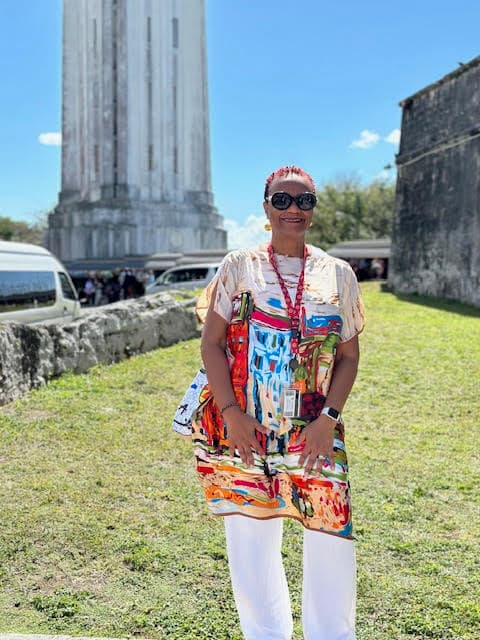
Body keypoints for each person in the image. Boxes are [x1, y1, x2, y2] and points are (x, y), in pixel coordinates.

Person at [192, 166, 365, 640]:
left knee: (330, 535)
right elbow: (211, 345)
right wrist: (231, 415)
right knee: (250, 541)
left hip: (316, 432)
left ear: (313, 209)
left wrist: (329, 419)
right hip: (245, 428)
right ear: (265, 208)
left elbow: (349, 355)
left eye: (304, 201)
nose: (294, 210)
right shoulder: (239, 266)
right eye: (282, 200)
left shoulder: (339, 274)